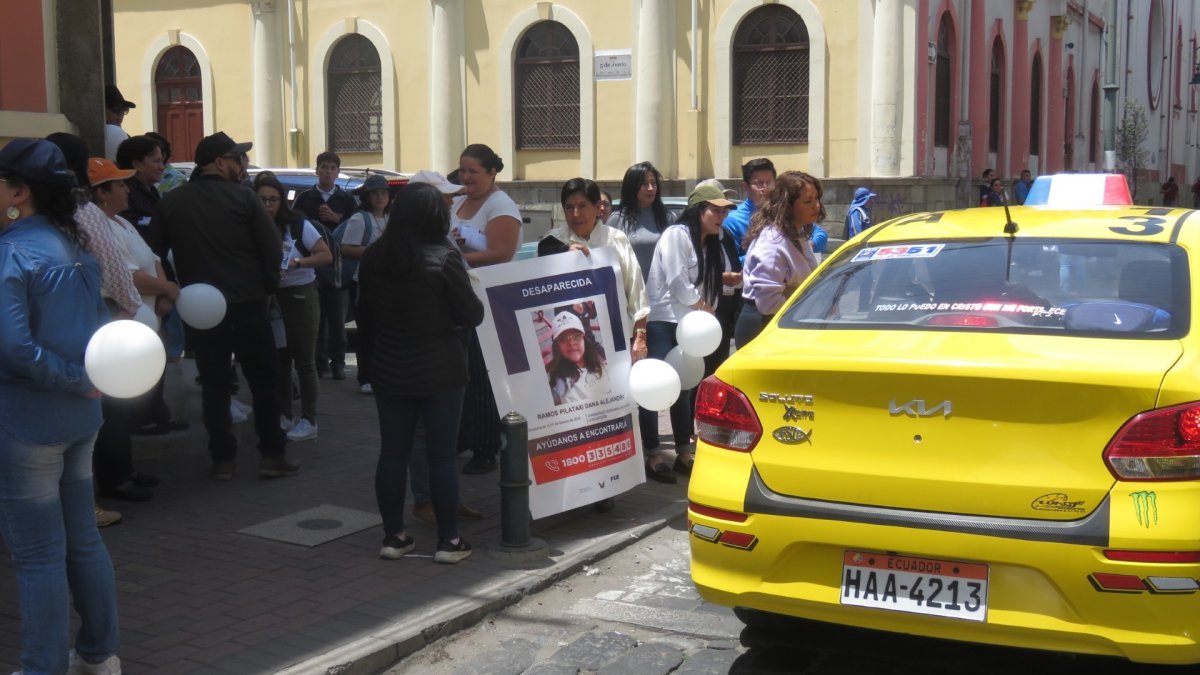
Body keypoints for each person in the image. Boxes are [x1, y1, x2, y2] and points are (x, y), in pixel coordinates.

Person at [0, 138, 123, 675]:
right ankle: (99, 654)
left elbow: (15, 347)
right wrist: (86, 382)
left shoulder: (14, 251)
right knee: (82, 541)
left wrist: (74, 380)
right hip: (80, 416)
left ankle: (43, 667)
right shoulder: (76, 247)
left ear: (18, 193)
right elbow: (96, 332)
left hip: (30, 421)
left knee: (38, 556)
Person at [147, 131, 301, 481]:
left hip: (200, 307)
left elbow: (153, 251)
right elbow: (271, 248)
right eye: (236, 159)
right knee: (263, 380)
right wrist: (267, 287)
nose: (242, 165)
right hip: (246, 302)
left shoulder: (172, 202)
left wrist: (174, 286)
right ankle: (272, 454)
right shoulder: (245, 200)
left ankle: (222, 460)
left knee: (215, 384)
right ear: (219, 163)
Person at [357, 182, 484, 564]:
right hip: (440, 369)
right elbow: (472, 314)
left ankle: (394, 537)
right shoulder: (444, 257)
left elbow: (364, 316)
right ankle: (449, 542)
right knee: (442, 457)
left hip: (389, 367)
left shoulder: (375, 257)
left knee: (393, 453)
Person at [90, 157, 180, 503]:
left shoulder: (121, 224)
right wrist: (168, 290)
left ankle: (125, 469)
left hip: (147, 317)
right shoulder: (102, 230)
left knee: (124, 408)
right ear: (102, 193)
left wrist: (164, 291)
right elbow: (126, 276)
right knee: (113, 409)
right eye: (120, 184)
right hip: (122, 325)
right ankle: (115, 478)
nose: (128, 189)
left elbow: (152, 258)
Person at [403, 169, 483, 527]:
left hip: (450, 345)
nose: (452, 201)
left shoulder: (442, 239)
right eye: (445, 197)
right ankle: (425, 500)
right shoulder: (411, 247)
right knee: (423, 432)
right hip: (430, 352)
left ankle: (444, 496)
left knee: (445, 432)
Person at [644, 182, 735, 481]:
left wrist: (709, 305)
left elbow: (713, 284)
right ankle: (652, 452)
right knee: (655, 386)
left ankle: (684, 451)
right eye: (715, 210)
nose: (721, 216)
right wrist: (701, 305)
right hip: (663, 320)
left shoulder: (713, 242)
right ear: (699, 210)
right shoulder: (676, 235)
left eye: (724, 211)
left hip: (690, 325)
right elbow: (675, 279)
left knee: (683, 389)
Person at [452, 144, 522, 475]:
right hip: (455, 301)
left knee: (481, 378)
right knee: (457, 374)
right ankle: (462, 436)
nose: (466, 177)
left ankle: (485, 447)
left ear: (492, 173)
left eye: (473, 172)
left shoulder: (501, 206)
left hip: (485, 303)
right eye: (462, 170)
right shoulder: (456, 200)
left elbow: (502, 252)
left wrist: (453, 258)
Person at [254, 171, 331, 443]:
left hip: (300, 295)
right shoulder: (253, 227)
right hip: (271, 298)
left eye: (273, 200)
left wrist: (297, 264)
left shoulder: (297, 224)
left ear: (281, 201)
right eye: (262, 200)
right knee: (280, 359)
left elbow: (325, 255)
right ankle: (284, 414)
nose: (268, 206)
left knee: (305, 362)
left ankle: (309, 420)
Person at [538, 177, 650, 353]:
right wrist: (563, 256)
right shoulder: (551, 242)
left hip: (617, 337)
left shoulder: (616, 240)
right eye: (569, 207)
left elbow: (636, 291)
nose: (576, 214)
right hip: (569, 341)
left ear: (597, 208)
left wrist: (640, 337)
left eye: (582, 206)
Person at [735, 171, 822, 348]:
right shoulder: (773, 242)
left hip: (784, 323)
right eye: (807, 201)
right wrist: (809, 308)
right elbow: (768, 303)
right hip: (763, 328)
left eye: (816, 198)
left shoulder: (798, 234)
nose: (816, 206)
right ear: (788, 206)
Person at [293, 151, 357, 380]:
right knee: (315, 318)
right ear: (317, 170)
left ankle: (338, 362)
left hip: (339, 269)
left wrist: (336, 219)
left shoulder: (348, 200)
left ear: (338, 173)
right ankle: (319, 362)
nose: (328, 172)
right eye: (324, 167)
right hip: (313, 267)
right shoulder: (305, 198)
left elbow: (355, 230)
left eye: (332, 168)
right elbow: (295, 230)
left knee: (338, 318)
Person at [339, 174, 391, 395]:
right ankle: (365, 377)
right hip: (365, 283)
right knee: (367, 332)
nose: (380, 197)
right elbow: (346, 248)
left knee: (385, 332)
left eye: (383, 193)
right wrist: (375, 252)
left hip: (388, 283)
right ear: (367, 197)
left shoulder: (391, 218)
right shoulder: (360, 218)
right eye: (375, 193)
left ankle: (383, 375)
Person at [546, 312, 610, 405]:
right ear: (557, 346)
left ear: (584, 338)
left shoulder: (600, 364)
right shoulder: (560, 384)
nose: (571, 343)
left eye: (576, 336)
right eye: (563, 339)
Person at [723, 159, 775, 265]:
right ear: (746, 187)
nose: (765, 188)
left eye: (769, 182)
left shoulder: (783, 211)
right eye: (759, 183)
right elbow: (731, 263)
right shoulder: (733, 219)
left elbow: (817, 234)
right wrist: (764, 253)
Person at [103, 84, 134, 161]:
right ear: (103, 108)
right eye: (116, 109)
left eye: (124, 110)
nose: (120, 114)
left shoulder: (126, 137)